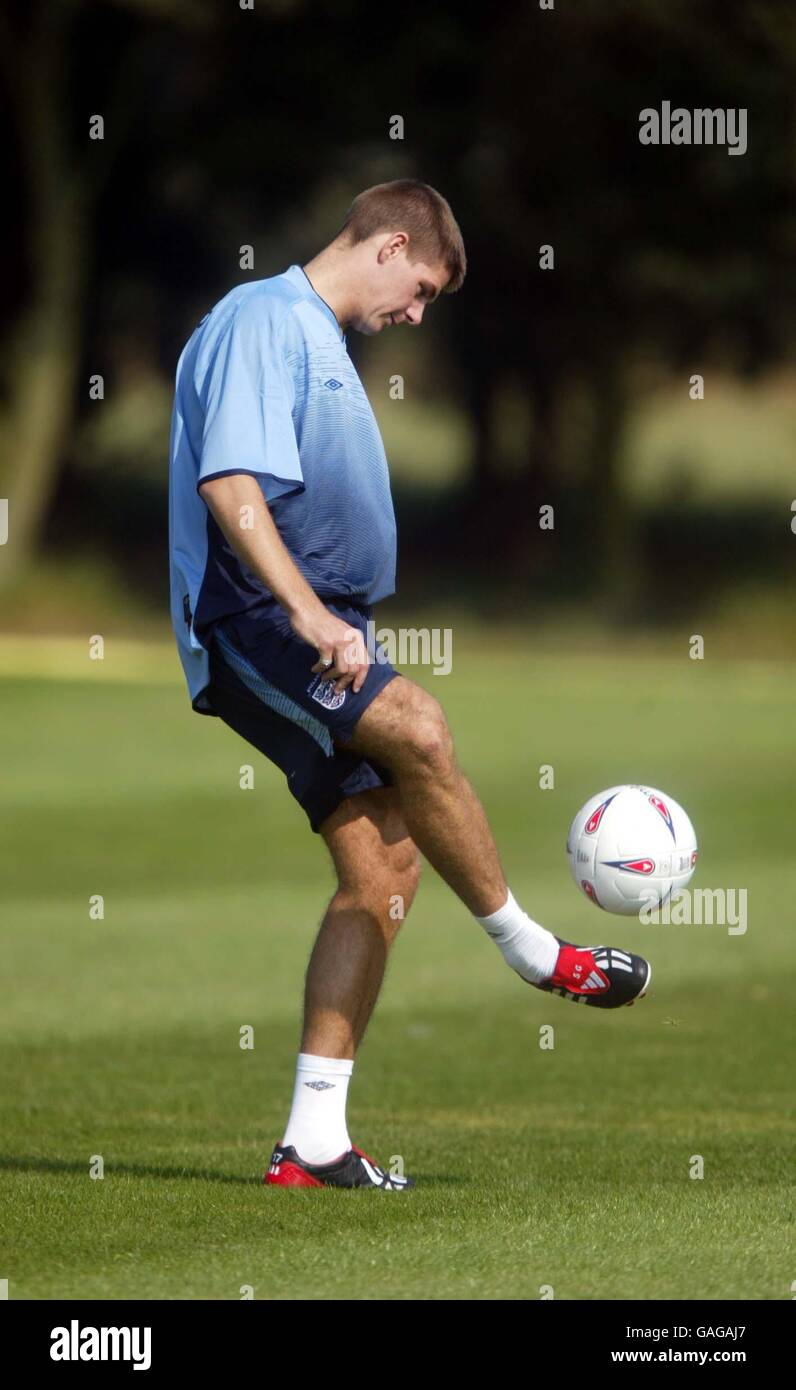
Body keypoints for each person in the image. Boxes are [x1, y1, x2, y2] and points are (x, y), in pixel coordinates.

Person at [168, 178, 651, 1192]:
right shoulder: (263, 316)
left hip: (318, 622)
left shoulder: (326, 344)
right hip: (256, 617)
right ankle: (536, 954)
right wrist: (305, 614)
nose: (417, 314)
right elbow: (229, 485)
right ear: (387, 245)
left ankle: (313, 1142)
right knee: (421, 728)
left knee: (384, 871)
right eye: (423, 288)